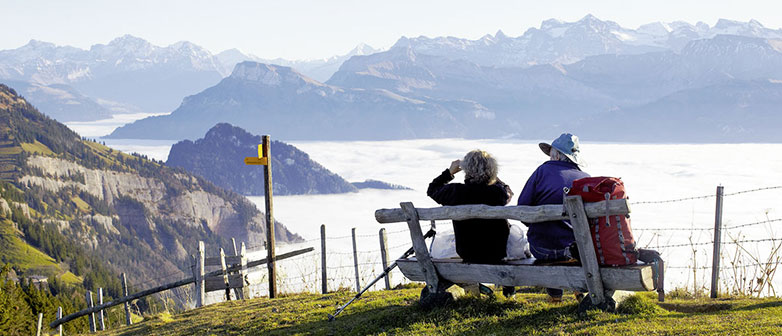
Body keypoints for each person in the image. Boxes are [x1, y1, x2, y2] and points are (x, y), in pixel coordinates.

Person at [517, 133, 589, 302]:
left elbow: (522, 209)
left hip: (542, 248)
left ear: (556, 154)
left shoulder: (542, 171)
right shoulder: (585, 178)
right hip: (576, 249)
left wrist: (534, 224)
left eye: (551, 153)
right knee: (571, 250)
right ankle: (579, 290)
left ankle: (555, 297)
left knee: (546, 246)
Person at [427, 149, 513, 265]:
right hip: (496, 253)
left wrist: (449, 172)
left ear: (465, 170)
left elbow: (432, 189)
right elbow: (507, 192)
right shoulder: (497, 193)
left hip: (468, 253)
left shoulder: (454, 192)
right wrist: (491, 174)